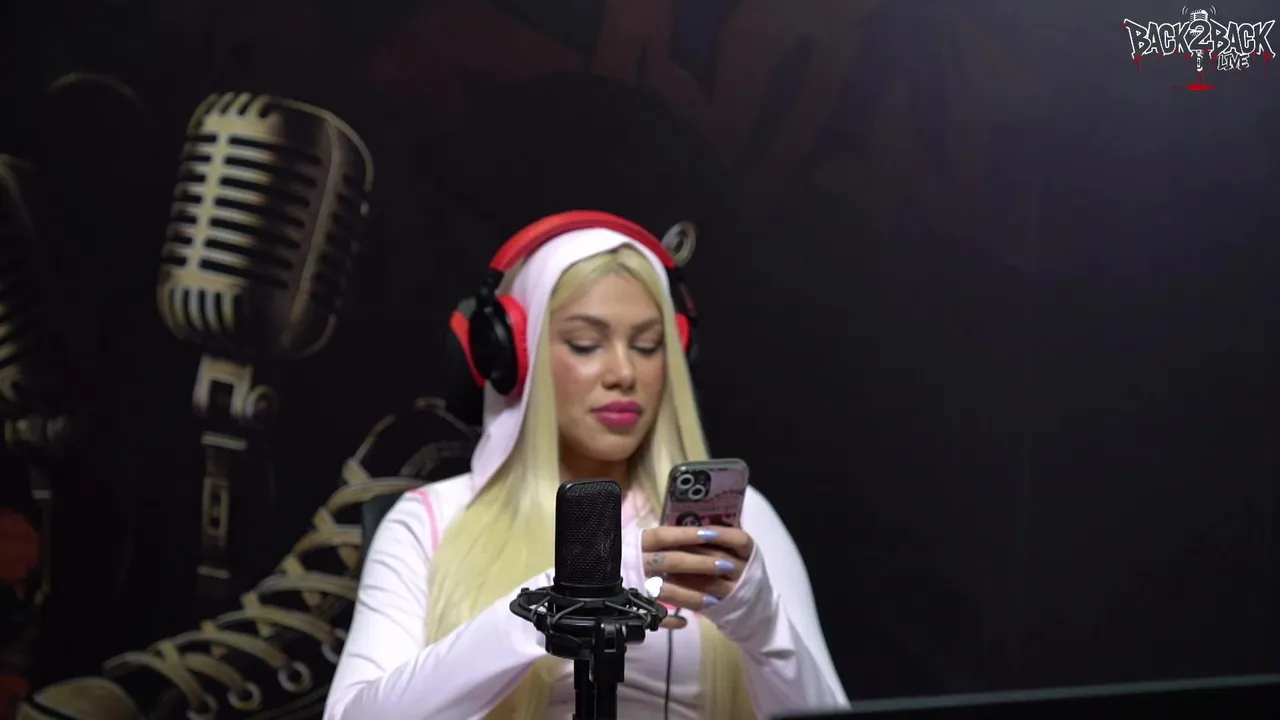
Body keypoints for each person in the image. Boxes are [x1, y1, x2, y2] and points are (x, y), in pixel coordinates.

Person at [324, 211, 847, 719]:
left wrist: (762, 624)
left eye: (647, 346)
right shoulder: (430, 522)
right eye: (586, 344)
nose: (623, 372)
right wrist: (565, 597)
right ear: (514, 354)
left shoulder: (737, 525)